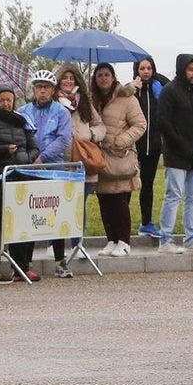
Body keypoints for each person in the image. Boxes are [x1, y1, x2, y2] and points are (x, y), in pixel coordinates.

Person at [17, 70, 73, 279]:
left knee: (53, 215)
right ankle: (26, 261)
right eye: (39, 87)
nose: (42, 91)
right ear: (33, 89)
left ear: (52, 90)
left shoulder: (61, 112)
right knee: (30, 214)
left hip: (52, 169)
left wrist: (43, 158)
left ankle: (60, 261)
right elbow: (18, 135)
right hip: (28, 168)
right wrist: (29, 158)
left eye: (47, 87)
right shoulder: (23, 110)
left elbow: (64, 139)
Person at [156, 54, 193, 254]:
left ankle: (192, 239)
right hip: (176, 155)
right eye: (191, 69)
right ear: (182, 69)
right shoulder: (169, 91)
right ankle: (166, 240)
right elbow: (164, 122)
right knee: (173, 195)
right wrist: (182, 146)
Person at [53, 63, 105, 277]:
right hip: (60, 160)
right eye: (64, 78)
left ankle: (77, 242)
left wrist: (90, 135)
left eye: (71, 78)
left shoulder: (84, 102)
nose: (68, 81)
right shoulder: (55, 102)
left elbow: (100, 125)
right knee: (59, 204)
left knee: (78, 204)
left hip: (83, 160)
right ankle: (56, 243)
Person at [90, 64, 145, 257]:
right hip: (100, 158)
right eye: (99, 75)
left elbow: (140, 124)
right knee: (104, 200)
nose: (103, 78)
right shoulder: (92, 100)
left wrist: (120, 141)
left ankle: (124, 241)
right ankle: (111, 240)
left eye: (107, 75)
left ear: (113, 77)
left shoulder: (127, 98)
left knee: (119, 201)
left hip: (121, 158)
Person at [0, 84, 40, 281]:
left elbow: (35, 147)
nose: (6, 103)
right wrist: (4, 151)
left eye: (9, 99)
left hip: (22, 175)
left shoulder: (22, 120)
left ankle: (22, 267)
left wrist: (26, 157)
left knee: (23, 222)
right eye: (2, 100)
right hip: (2, 177)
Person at [131, 57, 163, 238]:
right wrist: (133, 89)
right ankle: (122, 225)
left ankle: (146, 223)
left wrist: (161, 87)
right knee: (127, 186)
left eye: (149, 68)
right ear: (137, 70)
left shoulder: (158, 89)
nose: (146, 71)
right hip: (134, 146)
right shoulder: (133, 89)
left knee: (147, 185)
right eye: (142, 68)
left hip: (154, 146)